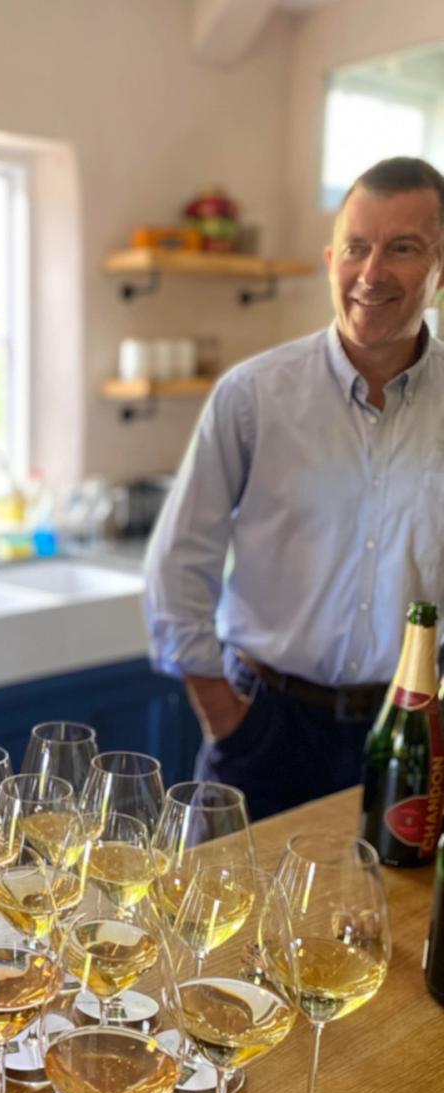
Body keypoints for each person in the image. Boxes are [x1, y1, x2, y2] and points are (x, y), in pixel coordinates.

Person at [144, 156, 444, 820]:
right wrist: (224, 715)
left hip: (411, 731)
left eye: (402, 248)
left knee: (393, 893)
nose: (371, 273)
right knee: (224, 894)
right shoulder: (253, 396)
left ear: (439, 266)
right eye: (356, 248)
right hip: (262, 727)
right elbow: (177, 563)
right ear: (332, 259)